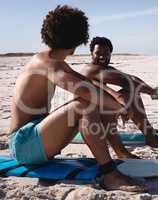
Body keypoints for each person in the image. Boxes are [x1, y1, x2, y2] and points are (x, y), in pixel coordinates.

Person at [7, 5, 146, 192]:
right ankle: (110, 175)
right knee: (85, 105)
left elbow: (89, 85)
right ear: (78, 39)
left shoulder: (53, 61)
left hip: (37, 138)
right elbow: (85, 92)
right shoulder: (48, 64)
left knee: (97, 102)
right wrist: (121, 107)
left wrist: (117, 103)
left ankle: (120, 151)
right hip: (23, 145)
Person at [80, 37, 158, 159]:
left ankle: (150, 136)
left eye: (106, 53)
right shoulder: (91, 69)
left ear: (110, 53)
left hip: (97, 116)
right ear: (91, 54)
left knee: (130, 94)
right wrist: (152, 92)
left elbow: (131, 78)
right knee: (116, 100)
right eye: (98, 53)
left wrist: (151, 90)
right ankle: (122, 151)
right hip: (87, 118)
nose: (102, 57)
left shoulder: (105, 68)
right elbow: (124, 81)